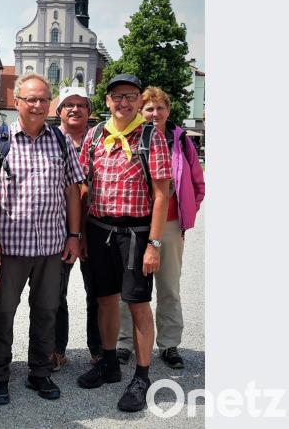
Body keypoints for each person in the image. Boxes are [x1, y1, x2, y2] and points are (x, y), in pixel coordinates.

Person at [0, 73, 84, 405]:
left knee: (46, 310)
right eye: (31, 99)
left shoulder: (60, 140)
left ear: (49, 102)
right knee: (3, 312)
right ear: (17, 102)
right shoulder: (0, 140)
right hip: (10, 248)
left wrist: (74, 235)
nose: (37, 105)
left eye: (43, 99)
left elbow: (72, 190)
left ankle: (40, 372)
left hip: (51, 247)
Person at [76, 74, 171, 412]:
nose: (124, 102)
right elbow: (85, 186)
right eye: (117, 96)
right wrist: (82, 233)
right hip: (100, 228)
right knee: (104, 300)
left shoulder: (151, 137)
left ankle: (142, 376)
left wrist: (154, 245)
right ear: (107, 101)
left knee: (137, 304)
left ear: (137, 99)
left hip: (135, 234)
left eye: (130, 96)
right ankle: (108, 363)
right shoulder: (94, 135)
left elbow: (162, 195)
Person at [115, 86, 205, 369]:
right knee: (127, 286)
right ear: (141, 112)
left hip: (169, 223)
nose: (155, 113)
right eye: (149, 109)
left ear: (168, 110)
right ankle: (124, 341)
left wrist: (186, 214)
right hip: (136, 222)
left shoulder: (180, 141)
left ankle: (169, 344)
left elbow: (197, 183)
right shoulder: (134, 136)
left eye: (159, 108)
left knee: (168, 286)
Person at [51, 86, 102, 372]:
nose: (75, 109)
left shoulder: (100, 141)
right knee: (55, 293)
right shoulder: (51, 140)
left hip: (95, 226)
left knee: (97, 292)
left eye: (82, 105)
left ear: (89, 112)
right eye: (69, 104)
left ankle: (97, 349)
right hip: (60, 229)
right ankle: (57, 349)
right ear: (58, 111)